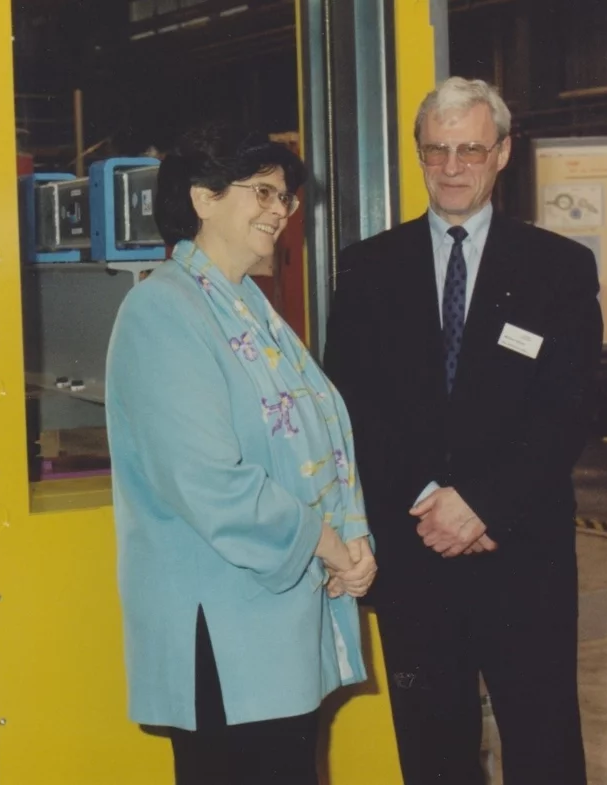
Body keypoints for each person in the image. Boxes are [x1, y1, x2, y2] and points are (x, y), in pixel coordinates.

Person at [323, 76, 602, 785]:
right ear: (418, 152)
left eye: (470, 150)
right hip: (416, 554)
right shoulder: (366, 268)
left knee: (543, 745)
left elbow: (568, 407)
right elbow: (350, 403)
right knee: (433, 752)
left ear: (503, 153)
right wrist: (427, 497)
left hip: (523, 551)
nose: (451, 168)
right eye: (436, 150)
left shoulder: (559, 268)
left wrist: (480, 502)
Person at [105, 123, 377, 785]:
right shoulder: (162, 311)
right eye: (262, 192)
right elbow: (209, 481)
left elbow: (321, 434)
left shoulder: (250, 310)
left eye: (283, 197)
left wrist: (353, 539)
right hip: (220, 633)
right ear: (202, 198)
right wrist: (330, 544)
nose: (279, 211)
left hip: (274, 617)